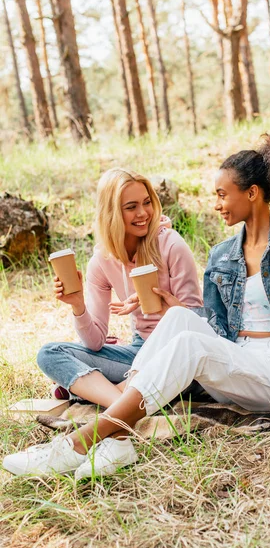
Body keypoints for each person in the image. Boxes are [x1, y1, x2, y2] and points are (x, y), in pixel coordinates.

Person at [3, 131, 270, 478]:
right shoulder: (222, 255)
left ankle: (79, 444)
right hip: (236, 359)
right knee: (182, 318)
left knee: (188, 340)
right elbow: (211, 324)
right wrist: (170, 308)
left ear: (251, 193)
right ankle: (118, 442)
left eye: (222, 194)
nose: (215, 204)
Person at [36, 168, 202, 408]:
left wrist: (166, 308)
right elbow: (94, 343)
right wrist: (78, 305)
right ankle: (123, 406)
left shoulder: (171, 245)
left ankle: (100, 394)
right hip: (140, 351)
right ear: (111, 213)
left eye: (147, 203)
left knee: (168, 373)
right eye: (131, 207)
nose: (143, 213)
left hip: (179, 353)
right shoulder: (102, 261)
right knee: (50, 354)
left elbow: (195, 323)